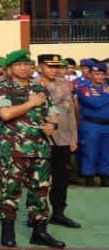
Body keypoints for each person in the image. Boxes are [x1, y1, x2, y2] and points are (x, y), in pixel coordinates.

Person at [0, 50, 64, 249]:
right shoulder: (2, 88)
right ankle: (8, 233)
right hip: (14, 149)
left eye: (27, 64)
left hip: (40, 148)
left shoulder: (39, 88)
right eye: (18, 65)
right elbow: (5, 114)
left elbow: (53, 113)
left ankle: (40, 232)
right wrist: (30, 103)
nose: (23, 68)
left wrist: (52, 125)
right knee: (10, 191)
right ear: (10, 68)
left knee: (40, 191)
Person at [38, 54, 81, 230]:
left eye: (57, 67)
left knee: (61, 179)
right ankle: (37, 214)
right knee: (39, 180)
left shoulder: (64, 84)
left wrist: (73, 137)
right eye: (50, 66)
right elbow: (41, 108)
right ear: (40, 67)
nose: (55, 70)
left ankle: (58, 213)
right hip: (42, 139)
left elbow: (70, 113)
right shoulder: (34, 84)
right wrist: (58, 95)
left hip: (63, 138)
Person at [77, 59, 109, 187]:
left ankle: (105, 176)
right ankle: (89, 177)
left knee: (107, 152)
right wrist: (106, 96)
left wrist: (103, 95)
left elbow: (99, 100)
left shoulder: (107, 87)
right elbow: (95, 104)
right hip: (91, 126)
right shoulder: (84, 88)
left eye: (102, 74)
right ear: (90, 74)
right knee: (90, 152)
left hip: (107, 126)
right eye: (96, 74)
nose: (100, 77)